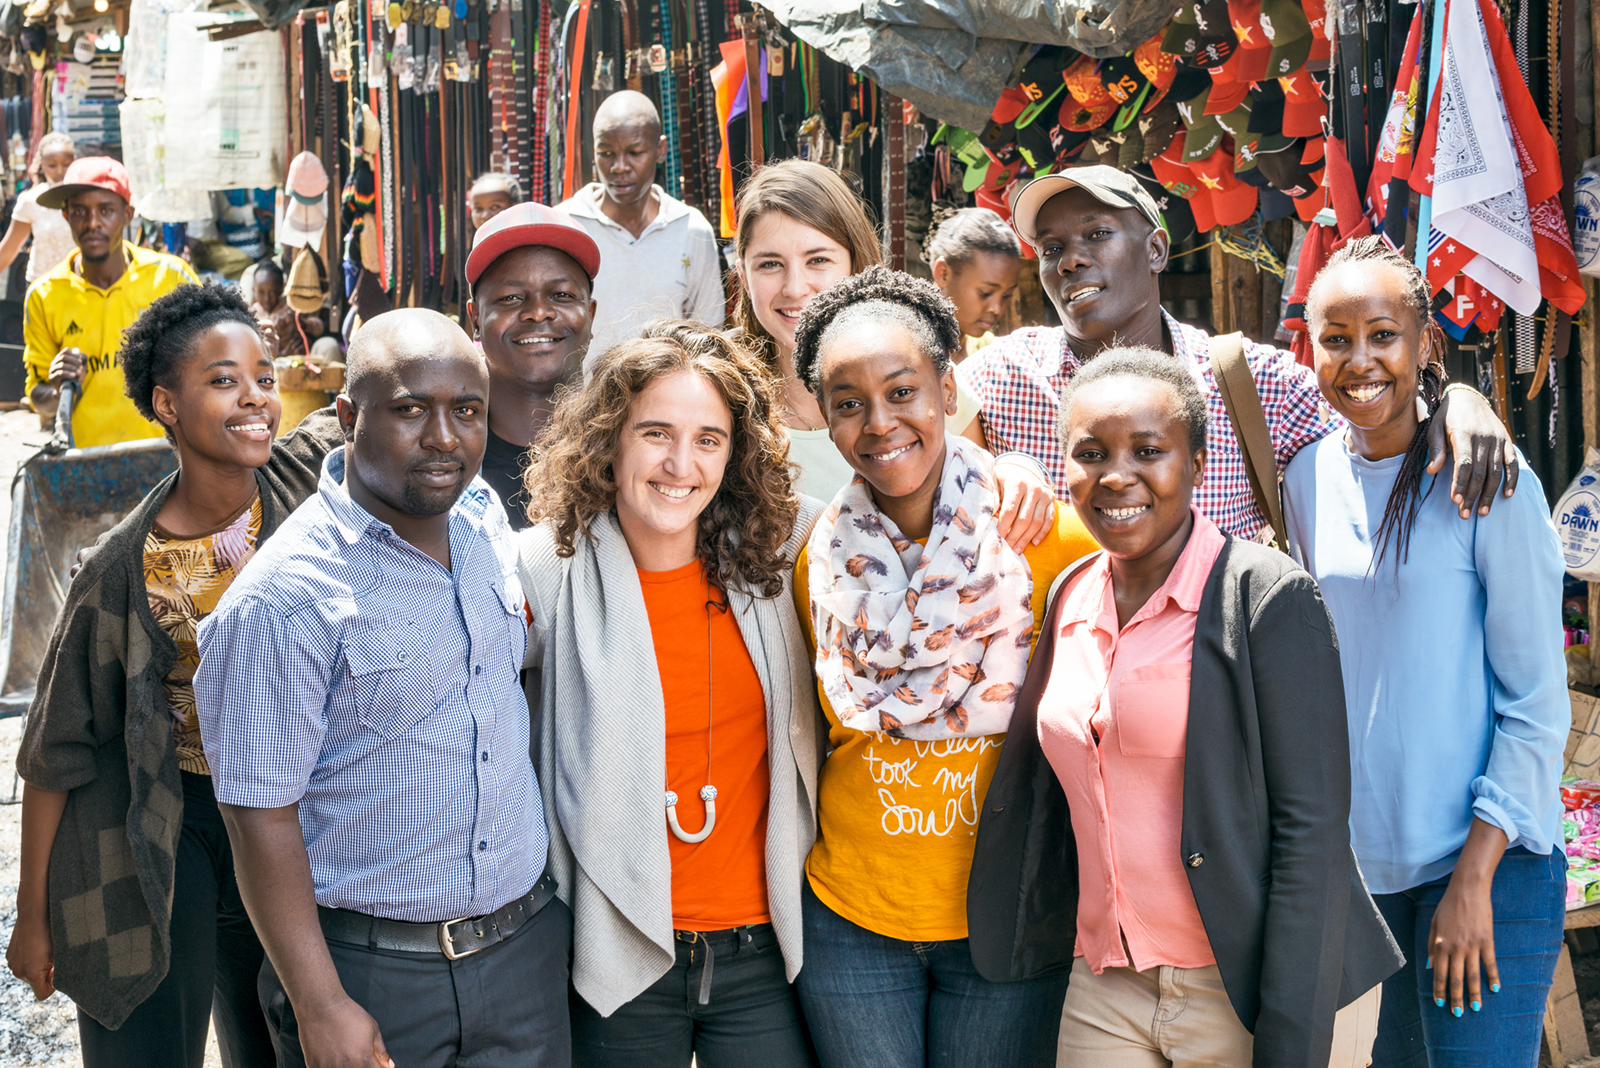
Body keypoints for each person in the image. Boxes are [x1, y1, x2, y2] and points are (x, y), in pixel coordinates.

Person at [968, 347, 1401, 1068]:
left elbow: (1312, 833)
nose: (1116, 475)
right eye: (1090, 452)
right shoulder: (1069, 593)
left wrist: (1288, 1038)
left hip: (1257, 983)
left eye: (1148, 450)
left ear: (1198, 463)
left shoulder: (1266, 596)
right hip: (1109, 984)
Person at [194, 309, 570, 1068]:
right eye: (409, 410)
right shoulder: (282, 601)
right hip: (376, 972)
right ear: (347, 416)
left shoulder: (482, 521)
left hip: (523, 953)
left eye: (466, 411)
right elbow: (256, 814)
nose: (444, 437)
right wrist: (320, 1002)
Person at [788, 266, 1099, 1068]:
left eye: (902, 391)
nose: (880, 423)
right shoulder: (814, 563)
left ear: (947, 387)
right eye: (848, 403)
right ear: (825, 418)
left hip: (1006, 912)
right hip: (851, 919)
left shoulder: (1051, 542)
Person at [7, 285, 311, 1068]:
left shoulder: (310, 512)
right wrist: (31, 916)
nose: (255, 399)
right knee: (145, 1030)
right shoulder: (116, 571)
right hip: (163, 825)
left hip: (287, 825)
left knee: (284, 1032)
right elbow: (54, 752)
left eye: (265, 377)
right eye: (223, 380)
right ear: (166, 404)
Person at [1284, 238, 1569, 1067]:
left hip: (1488, 863)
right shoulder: (1305, 479)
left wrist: (1474, 877)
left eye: (1383, 334)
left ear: (1425, 346)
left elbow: (1536, 702)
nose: (1360, 359)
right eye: (1336, 338)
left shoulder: (1487, 480)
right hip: (1367, 879)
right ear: (1311, 348)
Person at [518, 321, 821, 1068]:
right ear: (609, 439)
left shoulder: (789, 553)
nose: (680, 464)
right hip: (616, 952)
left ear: (736, 451)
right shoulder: (541, 573)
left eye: (709, 439)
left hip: (765, 953)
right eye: (655, 432)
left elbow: (918, 508)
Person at [957, 166, 1517, 542]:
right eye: (1051, 248)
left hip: (1213, 702)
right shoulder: (1003, 378)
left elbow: (1378, 434)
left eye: (1096, 235)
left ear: (1155, 249)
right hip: (1054, 704)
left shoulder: (1251, 381)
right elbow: (907, 447)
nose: (1069, 261)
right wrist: (1007, 464)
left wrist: (1457, 399)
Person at [731, 159, 1054, 545]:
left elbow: (979, 497)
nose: (795, 287)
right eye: (770, 264)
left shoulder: (924, 378)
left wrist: (1016, 467)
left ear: (855, 262)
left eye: (818, 260)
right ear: (743, 277)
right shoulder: (722, 395)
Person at [25, 156, 200, 447]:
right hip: (86, 467)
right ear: (67, 216)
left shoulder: (171, 278)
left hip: (169, 462)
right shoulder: (45, 295)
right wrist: (59, 390)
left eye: (106, 210)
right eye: (80, 211)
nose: (92, 223)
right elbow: (38, 399)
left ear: (127, 215)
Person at [558, 90, 724, 362]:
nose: (619, 167)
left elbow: (706, 338)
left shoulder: (692, 230)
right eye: (606, 153)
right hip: (582, 402)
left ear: (660, 150)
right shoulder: (566, 226)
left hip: (667, 402)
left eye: (634, 152)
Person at [467, 201, 600, 526]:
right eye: (510, 298)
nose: (538, 312)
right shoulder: (443, 454)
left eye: (563, 295)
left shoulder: (626, 451)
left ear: (591, 314)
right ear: (475, 319)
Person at [924, 206, 1021, 359]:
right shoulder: (913, 352)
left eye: (1007, 295)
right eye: (986, 293)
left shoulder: (988, 349)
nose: (996, 309)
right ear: (943, 274)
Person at [0, 131, 77, 285]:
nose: (59, 171)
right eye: (52, 165)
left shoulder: (84, 198)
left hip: (80, 289)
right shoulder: (30, 200)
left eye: (66, 164)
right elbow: (8, 250)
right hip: (42, 288)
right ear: (41, 165)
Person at [248, 258, 326, 358]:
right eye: (261, 292)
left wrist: (302, 323)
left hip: (294, 359)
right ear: (253, 290)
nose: (267, 299)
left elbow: (319, 327)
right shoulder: (251, 312)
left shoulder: (291, 305)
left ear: (281, 289)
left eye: (272, 292)